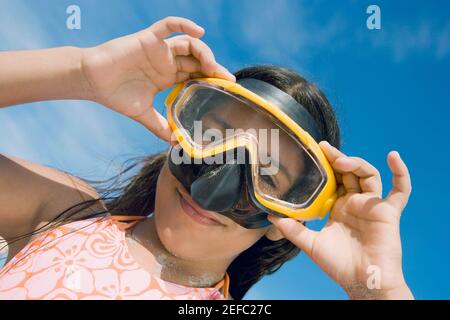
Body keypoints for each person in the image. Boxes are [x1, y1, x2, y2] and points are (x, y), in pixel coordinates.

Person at [0, 17, 413, 300]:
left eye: (267, 171)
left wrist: (378, 290)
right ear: (177, 132)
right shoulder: (68, 215)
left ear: (287, 219)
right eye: (212, 136)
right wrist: (82, 71)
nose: (216, 181)